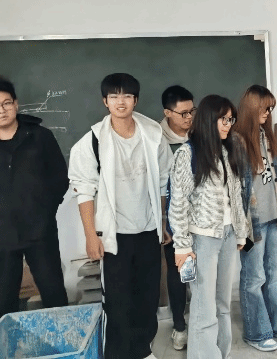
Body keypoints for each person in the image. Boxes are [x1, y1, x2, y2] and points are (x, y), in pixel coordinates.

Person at [69, 73, 172, 359]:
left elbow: (162, 182)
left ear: (136, 100)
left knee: (148, 296)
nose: (120, 101)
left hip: (148, 230)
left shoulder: (153, 134)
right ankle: (118, 354)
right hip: (114, 236)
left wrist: (162, 223)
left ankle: (142, 350)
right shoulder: (93, 140)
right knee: (117, 301)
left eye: (126, 95)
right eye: (114, 96)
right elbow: (84, 190)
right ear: (105, 102)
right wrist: (91, 236)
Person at [169, 95, 256, 359]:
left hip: (228, 235)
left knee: (223, 305)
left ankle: (221, 353)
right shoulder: (188, 153)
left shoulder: (227, 150)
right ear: (208, 119)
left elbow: (236, 196)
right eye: (223, 119)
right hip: (202, 240)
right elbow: (178, 204)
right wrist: (182, 247)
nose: (228, 124)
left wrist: (241, 232)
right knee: (204, 309)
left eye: (231, 119)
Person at [0, 77, 69, 319]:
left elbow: (60, 178)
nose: (2, 110)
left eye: (6, 103)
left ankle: (62, 341)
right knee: (3, 300)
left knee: (53, 292)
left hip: (40, 232)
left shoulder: (40, 137)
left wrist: (43, 211)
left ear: (16, 103)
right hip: (2, 235)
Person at [234, 85, 277, 352]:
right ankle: (257, 332)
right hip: (252, 224)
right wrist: (240, 227)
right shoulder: (236, 141)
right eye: (264, 107)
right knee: (254, 277)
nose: (268, 112)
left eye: (270, 108)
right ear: (250, 107)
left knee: (276, 274)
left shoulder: (267, 136)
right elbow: (234, 188)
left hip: (275, 217)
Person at [160, 85, 195, 351]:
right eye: (183, 113)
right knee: (177, 272)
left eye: (192, 111)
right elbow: (158, 184)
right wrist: (163, 220)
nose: (189, 117)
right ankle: (179, 326)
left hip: (202, 217)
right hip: (173, 220)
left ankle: (202, 322)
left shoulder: (200, 135)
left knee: (201, 271)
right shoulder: (156, 140)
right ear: (168, 113)